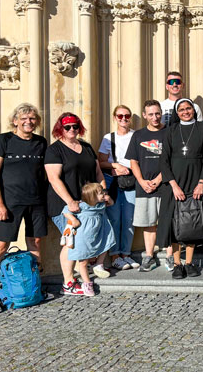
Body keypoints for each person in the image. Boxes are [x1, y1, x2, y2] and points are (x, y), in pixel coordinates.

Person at [0, 104, 48, 315]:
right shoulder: (3, 140)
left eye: (32, 118)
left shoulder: (41, 142)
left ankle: (33, 288)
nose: (28, 122)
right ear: (15, 121)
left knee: (35, 242)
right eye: (24, 118)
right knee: (0, 247)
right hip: (10, 204)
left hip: (37, 202)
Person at [45, 113, 108, 296]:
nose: (72, 129)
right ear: (60, 129)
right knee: (71, 242)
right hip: (64, 206)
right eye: (67, 127)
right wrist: (70, 201)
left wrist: (103, 193)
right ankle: (68, 283)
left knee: (83, 240)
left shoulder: (86, 147)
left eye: (75, 126)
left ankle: (81, 272)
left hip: (88, 206)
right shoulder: (54, 150)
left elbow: (98, 174)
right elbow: (53, 179)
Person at [157, 99, 203, 279]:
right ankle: (177, 264)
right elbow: (164, 160)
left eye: (188, 108)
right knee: (174, 225)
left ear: (193, 109)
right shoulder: (170, 131)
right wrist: (173, 185)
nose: (185, 112)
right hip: (174, 184)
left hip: (196, 181)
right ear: (177, 112)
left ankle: (189, 263)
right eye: (181, 109)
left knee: (192, 222)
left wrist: (201, 182)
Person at [126, 100, 171, 272]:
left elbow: (172, 161)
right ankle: (149, 256)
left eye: (157, 113)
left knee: (168, 222)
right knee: (149, 223)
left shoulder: (169, 132)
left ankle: (170, 256)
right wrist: (141, 181)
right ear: (144, 115)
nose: (155, 117)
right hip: (144, 187)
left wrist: (159, 179)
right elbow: (133, 161)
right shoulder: (138, 135)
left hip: (165, 185)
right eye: (151, 114)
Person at [98, 105, 139, 271]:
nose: (124, 119)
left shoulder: (136, 135)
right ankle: (115, 255)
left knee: (129, 218)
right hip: (114, 181)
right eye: (120, 116)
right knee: (114, 218)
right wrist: (114, 165)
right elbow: (100, 162)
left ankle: (126, 254)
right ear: (115, 117)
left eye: (127, 116)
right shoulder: (109, 137)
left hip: (132, 180)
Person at [65, 183, 115, 297]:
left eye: (103, 192)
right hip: (83, 236)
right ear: (92, 196)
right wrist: (73, 220)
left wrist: (109, 198)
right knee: (83, 261)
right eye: (100, 193)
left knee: (106, 244)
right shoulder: (81, 205)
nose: (103, 194)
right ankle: (87, 283)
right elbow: (65, 211)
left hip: (97, 233)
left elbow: (111, 203)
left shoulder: (100, 204)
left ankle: (98, 263)